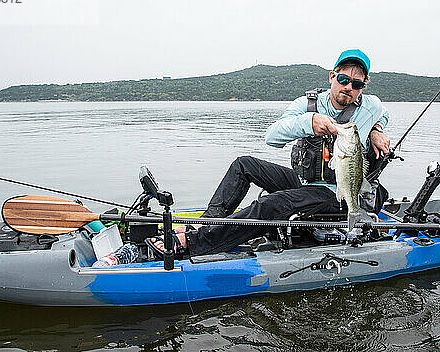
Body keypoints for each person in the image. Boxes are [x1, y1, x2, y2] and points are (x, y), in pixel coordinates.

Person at [148, 49, 390, 257]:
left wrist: (377, 130)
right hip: (304, 181)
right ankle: (208, 224)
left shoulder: (370, 106)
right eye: (343, 79)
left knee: (273, 204)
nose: (348, 87)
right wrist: (309, 122)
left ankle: (196, 243)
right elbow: (272, 137)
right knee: (244, 164)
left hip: (337, 192)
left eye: (357, 84)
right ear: (331, 76)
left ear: (363, 88)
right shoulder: (306, 105)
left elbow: (382, 114)